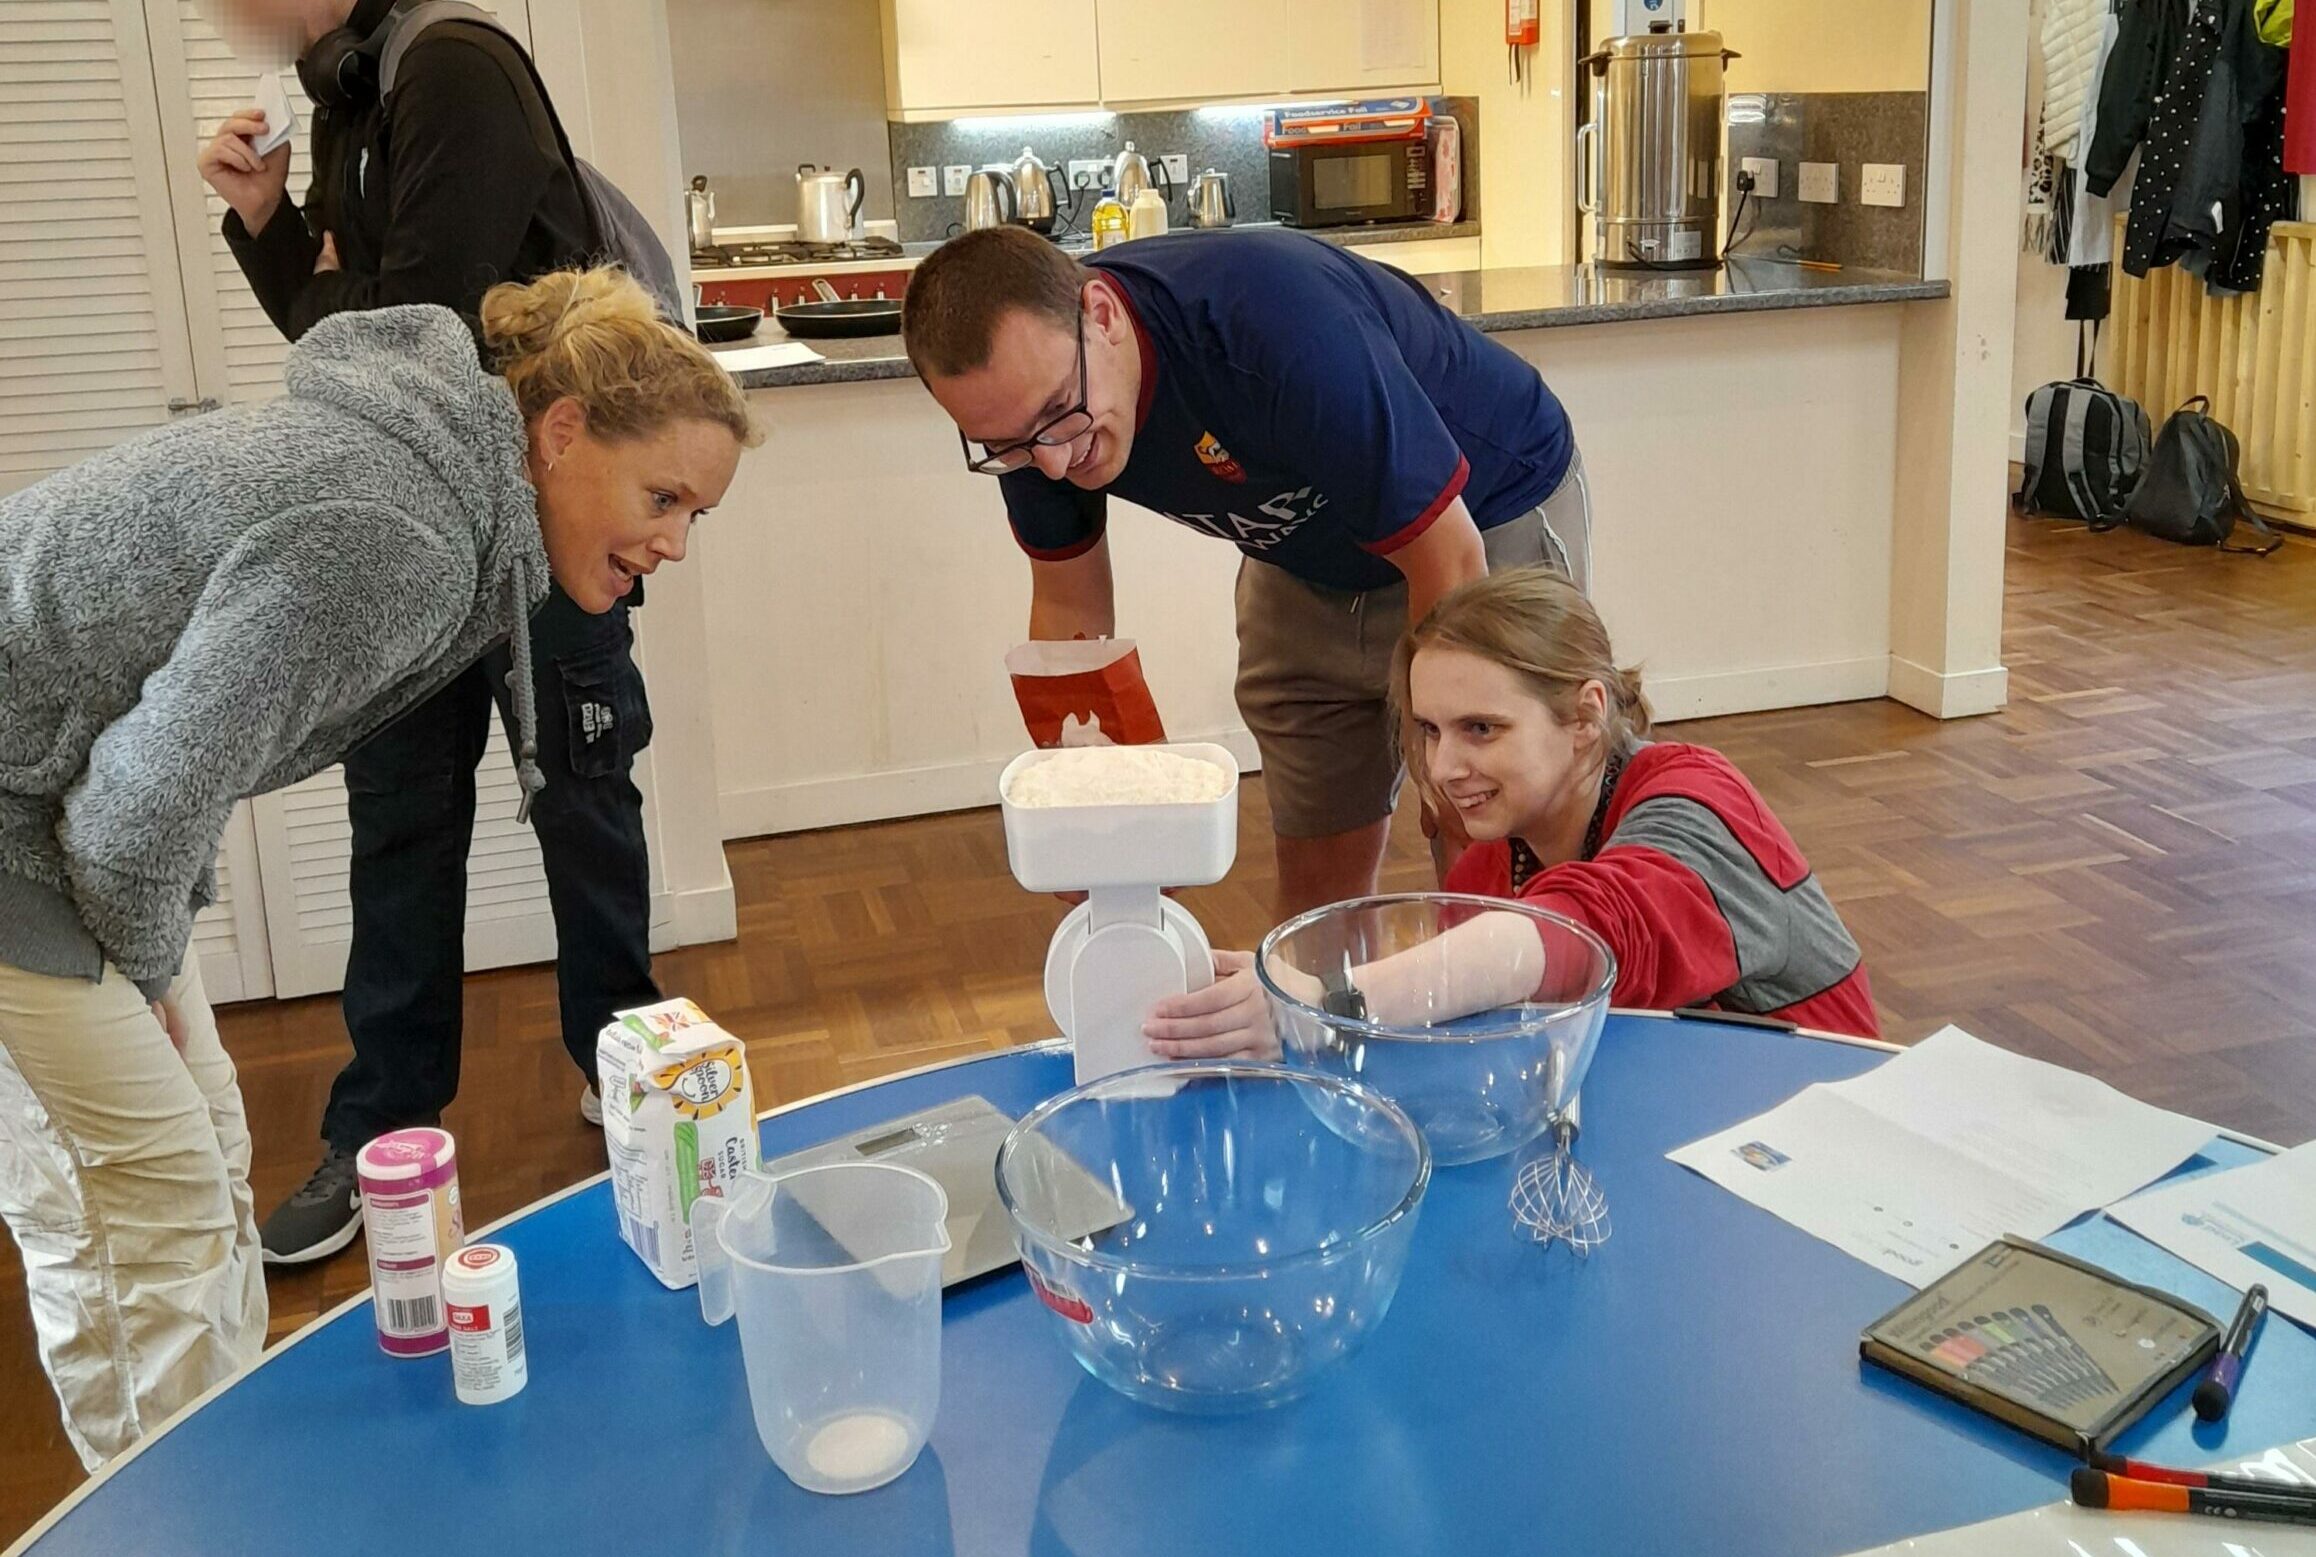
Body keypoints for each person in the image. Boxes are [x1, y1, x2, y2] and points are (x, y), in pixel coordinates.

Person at [0, 269, 755, 1467]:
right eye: (661, 497)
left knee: (199, 1158)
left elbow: (161, 756)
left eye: (695, 516)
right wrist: (140, 970)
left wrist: (146, 954)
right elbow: (140, 803)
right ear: (561, 433)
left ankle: (212, 1483)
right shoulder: (398, 538)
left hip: (52, 795)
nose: (670, 544)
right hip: (25, 820)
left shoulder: (451, 500)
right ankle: (176, 1512)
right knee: (147, 1205)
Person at [197, 0, 671, 1264]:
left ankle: (624, 1061)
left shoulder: (452, 66)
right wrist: (271, 224)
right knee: (398, 826)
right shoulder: (348, 99)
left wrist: (344, 285)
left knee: (584, 796)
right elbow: (349, 343)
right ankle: (382, 1128)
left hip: (544, 517)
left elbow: (417, 329)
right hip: (412, 523)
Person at [902, 225, 1592, 922]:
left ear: (1102, 315)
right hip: (1304, 551)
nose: (1053, 463)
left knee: (1486, 855)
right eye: (1010, 445)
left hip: (1481, 513)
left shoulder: (1276, 328)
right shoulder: (1030, 416)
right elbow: (1068, 609)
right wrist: (1097, 806)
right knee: (1317, 887)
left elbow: (1449, 555)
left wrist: (1443, 760)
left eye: (1060, 414)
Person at [1144, 567, 1879, 1059]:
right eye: (1430, 730)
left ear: (1585, 716)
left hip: (1818, 1124)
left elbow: (1586, 935)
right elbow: (1460, 999)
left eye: (1481, 729)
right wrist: (1283, 992)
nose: (1442, 768)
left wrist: (1324, 1007)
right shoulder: (1492, 867)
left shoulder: (1694, 802)